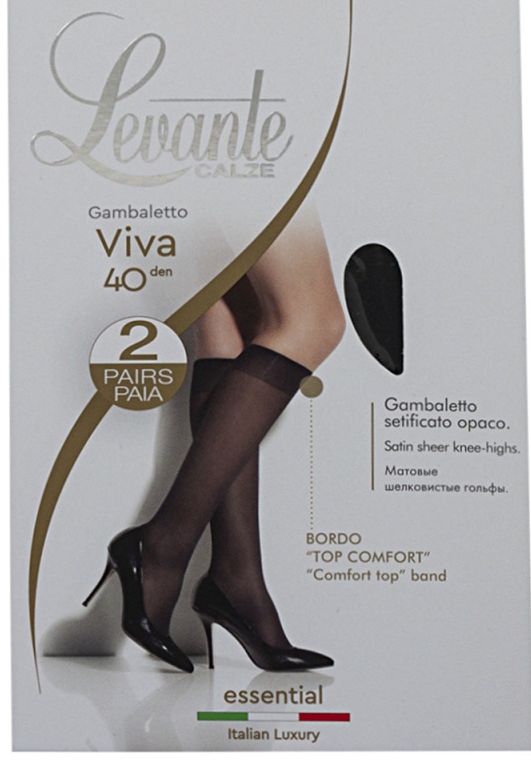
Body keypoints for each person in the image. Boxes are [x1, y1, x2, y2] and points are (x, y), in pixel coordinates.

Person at [88, 211, 344, 672]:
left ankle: (236, 578)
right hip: (254, 167)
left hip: (199, 172)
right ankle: (162, 546)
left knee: (232, 323)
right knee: (313, 321)